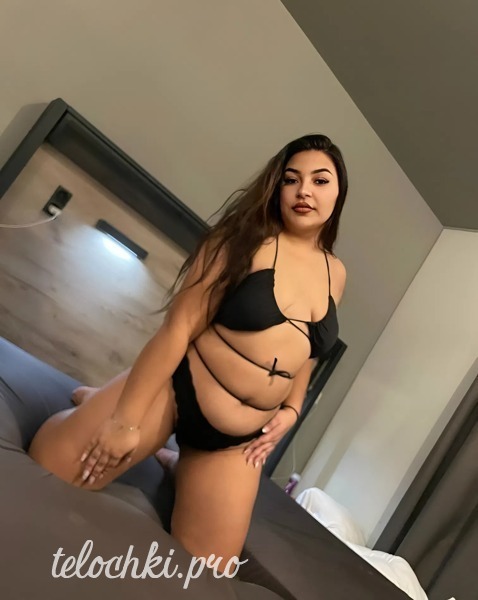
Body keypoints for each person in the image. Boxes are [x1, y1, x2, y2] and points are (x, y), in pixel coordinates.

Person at [28, 133, 348, 571]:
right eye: (292, 180)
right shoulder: (242, 241)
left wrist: (292, 410)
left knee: (210, 569)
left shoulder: (336, 273)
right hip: (181, 390)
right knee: (52, 465)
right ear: (277, 188)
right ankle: (100, 402)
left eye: (320, 180)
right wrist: (123, 421)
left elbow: (310, 352)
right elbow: (177, 329)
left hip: (239, 440)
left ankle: (180, 463)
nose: (304, 191)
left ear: (338, 192)